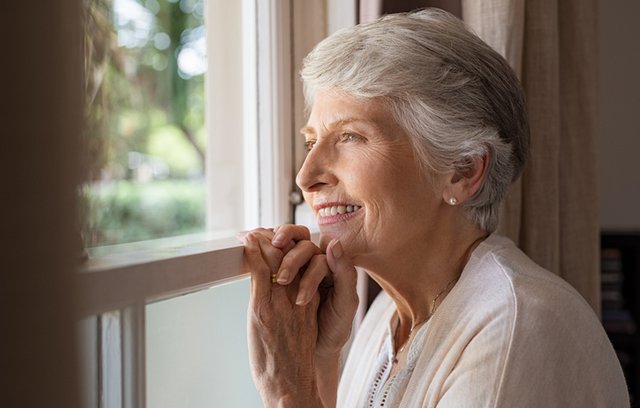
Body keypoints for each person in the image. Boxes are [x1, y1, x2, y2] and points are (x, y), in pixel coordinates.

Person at [241, 8, 629, 407]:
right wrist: (320, 359)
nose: (307, 176)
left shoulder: (516, 326)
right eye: (312, 142)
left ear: (462, 171)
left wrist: (287, 393)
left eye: (351, 137)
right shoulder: (384, 319)